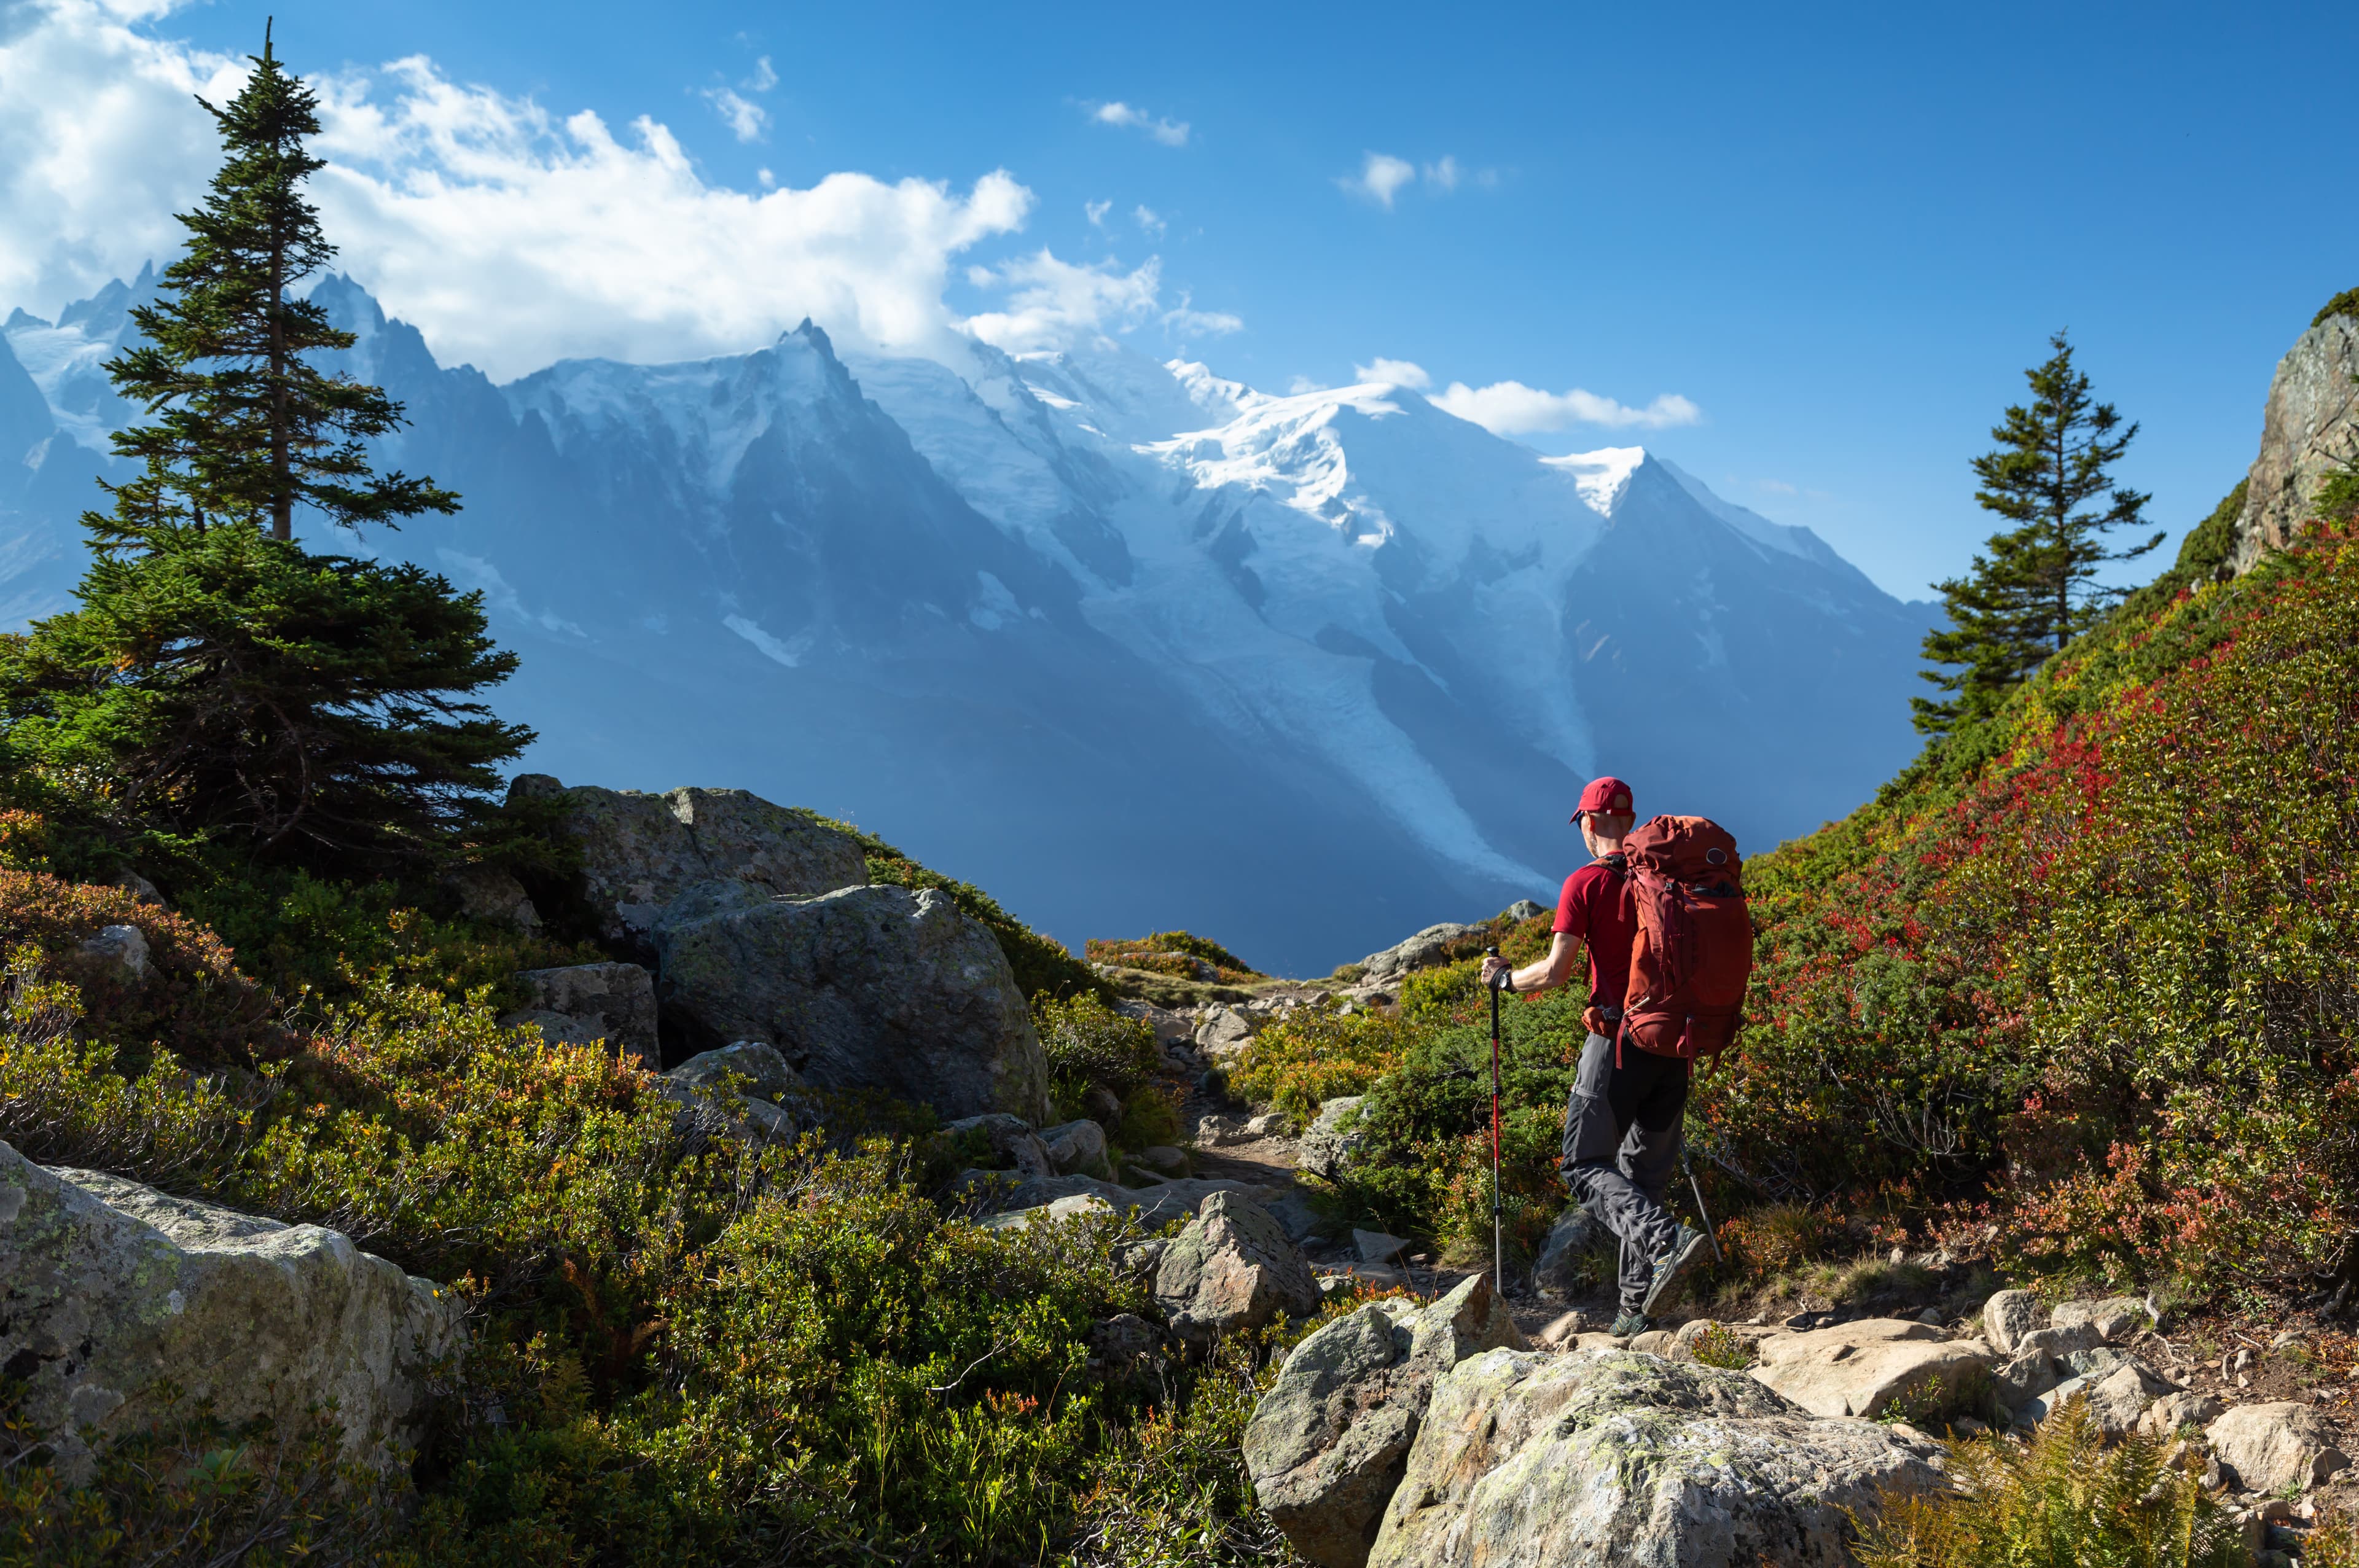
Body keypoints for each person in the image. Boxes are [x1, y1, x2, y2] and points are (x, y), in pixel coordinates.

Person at [1481, 776, 1710, 1336]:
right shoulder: (1667, 878)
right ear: (1628, 822)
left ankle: (1665, 1240)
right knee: (1644, 1176)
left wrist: (1505, 980)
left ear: (1589, 821)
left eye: (1582, 821)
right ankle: (1636, 1312)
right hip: (1675, 1045)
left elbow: (1557, 973)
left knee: (1583, 1165)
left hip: (1616, 1045)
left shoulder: (1586, 883)